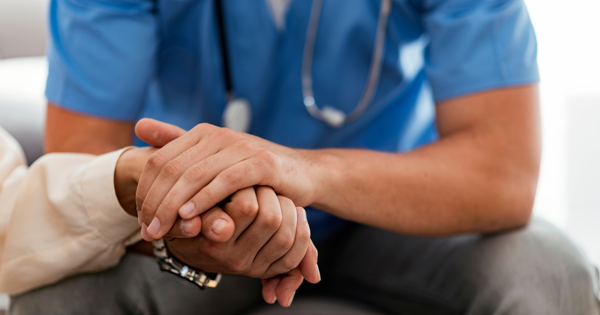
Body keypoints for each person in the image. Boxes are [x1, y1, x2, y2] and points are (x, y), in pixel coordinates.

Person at [14, 0, 600, 314]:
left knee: (549, 274)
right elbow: (83, 167)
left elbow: (502, 171)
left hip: (394, 209)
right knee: (63, 298)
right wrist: (184, 224)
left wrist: (300, 171)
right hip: (203, 218)